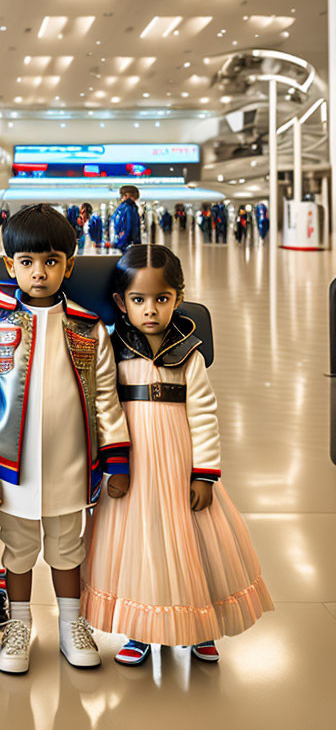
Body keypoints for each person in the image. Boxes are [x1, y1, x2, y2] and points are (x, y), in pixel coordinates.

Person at [0, 204, 130, 674]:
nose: (39, 272)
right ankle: (19, 625)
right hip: (10, 468)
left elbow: (106, 399)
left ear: (68, 266)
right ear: (10, 264)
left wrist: (116, 460)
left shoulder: (89, 328)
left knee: (68, 547)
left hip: (72, 464)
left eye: (51, 261)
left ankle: (73, 624)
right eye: (27, 262)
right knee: (18, 548)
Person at [81, 244, 273, 666]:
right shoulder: (111, 350)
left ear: (178, 298)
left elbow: (205, 415)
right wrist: (113, 463)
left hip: (178, 466)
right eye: (138, 300)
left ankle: (198, 626)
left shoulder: (189, 355)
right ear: (121, 302)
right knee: (139, 546)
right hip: (133, 469)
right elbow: (104, 409)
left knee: (195, 545)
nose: (150, 309)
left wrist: (203, 474)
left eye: (162, 299)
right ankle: (141, 629)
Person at [112, 185, 142, 252]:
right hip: (128, 246)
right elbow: (130, 228)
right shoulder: (130, 208)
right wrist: (137, 244)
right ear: (128, 195)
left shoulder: (119, 209)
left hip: (119, 244)